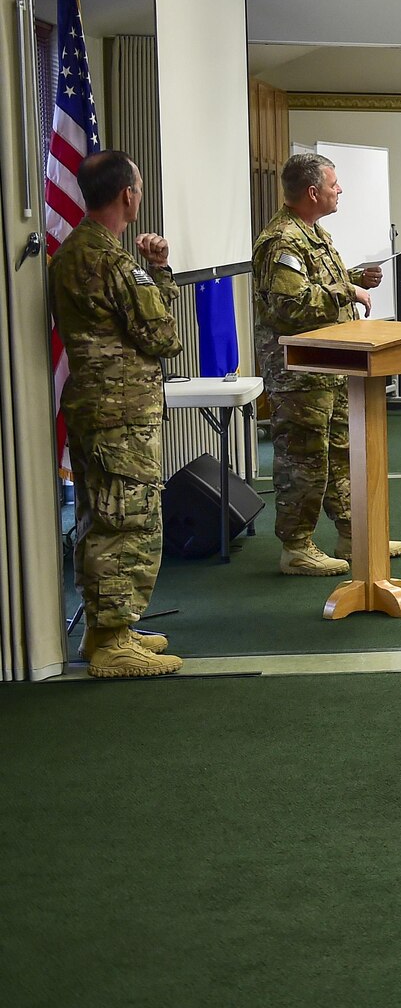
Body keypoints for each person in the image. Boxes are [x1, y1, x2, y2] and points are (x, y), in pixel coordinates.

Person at [50, 150, 184, 678]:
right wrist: (161, 273)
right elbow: (163, 337)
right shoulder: (112, 261)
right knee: (123, 524)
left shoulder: (73, 252)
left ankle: (111, 628)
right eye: (140, 186)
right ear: (128, 194)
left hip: (93, 408)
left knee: (99, 517)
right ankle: (110, 641)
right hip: (120, 418)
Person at [253, 151, 391, 577]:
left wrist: (351, 277)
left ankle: (353, 533)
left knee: (337, 454)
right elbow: (290, 304)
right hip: (298, 374)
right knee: (304, 460)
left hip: (327, 368)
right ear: (312, 192)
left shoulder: (313, 233)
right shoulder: (284, 241)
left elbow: (313, 283)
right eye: (334, 185)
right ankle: (296, 547)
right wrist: (346, 292)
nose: (340, 190)